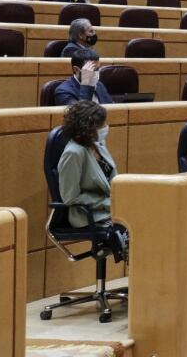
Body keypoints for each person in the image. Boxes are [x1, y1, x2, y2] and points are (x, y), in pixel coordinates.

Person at [57, 101, 128, 262]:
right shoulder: (73, 153)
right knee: (134, 229)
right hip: (89, 215)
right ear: (88, 128)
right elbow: (70, 197)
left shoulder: (98, 145)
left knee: (148, 218)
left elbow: (112, 180)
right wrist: (106, 203)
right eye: (102, 124)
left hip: (110, 208)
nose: (106, 127)